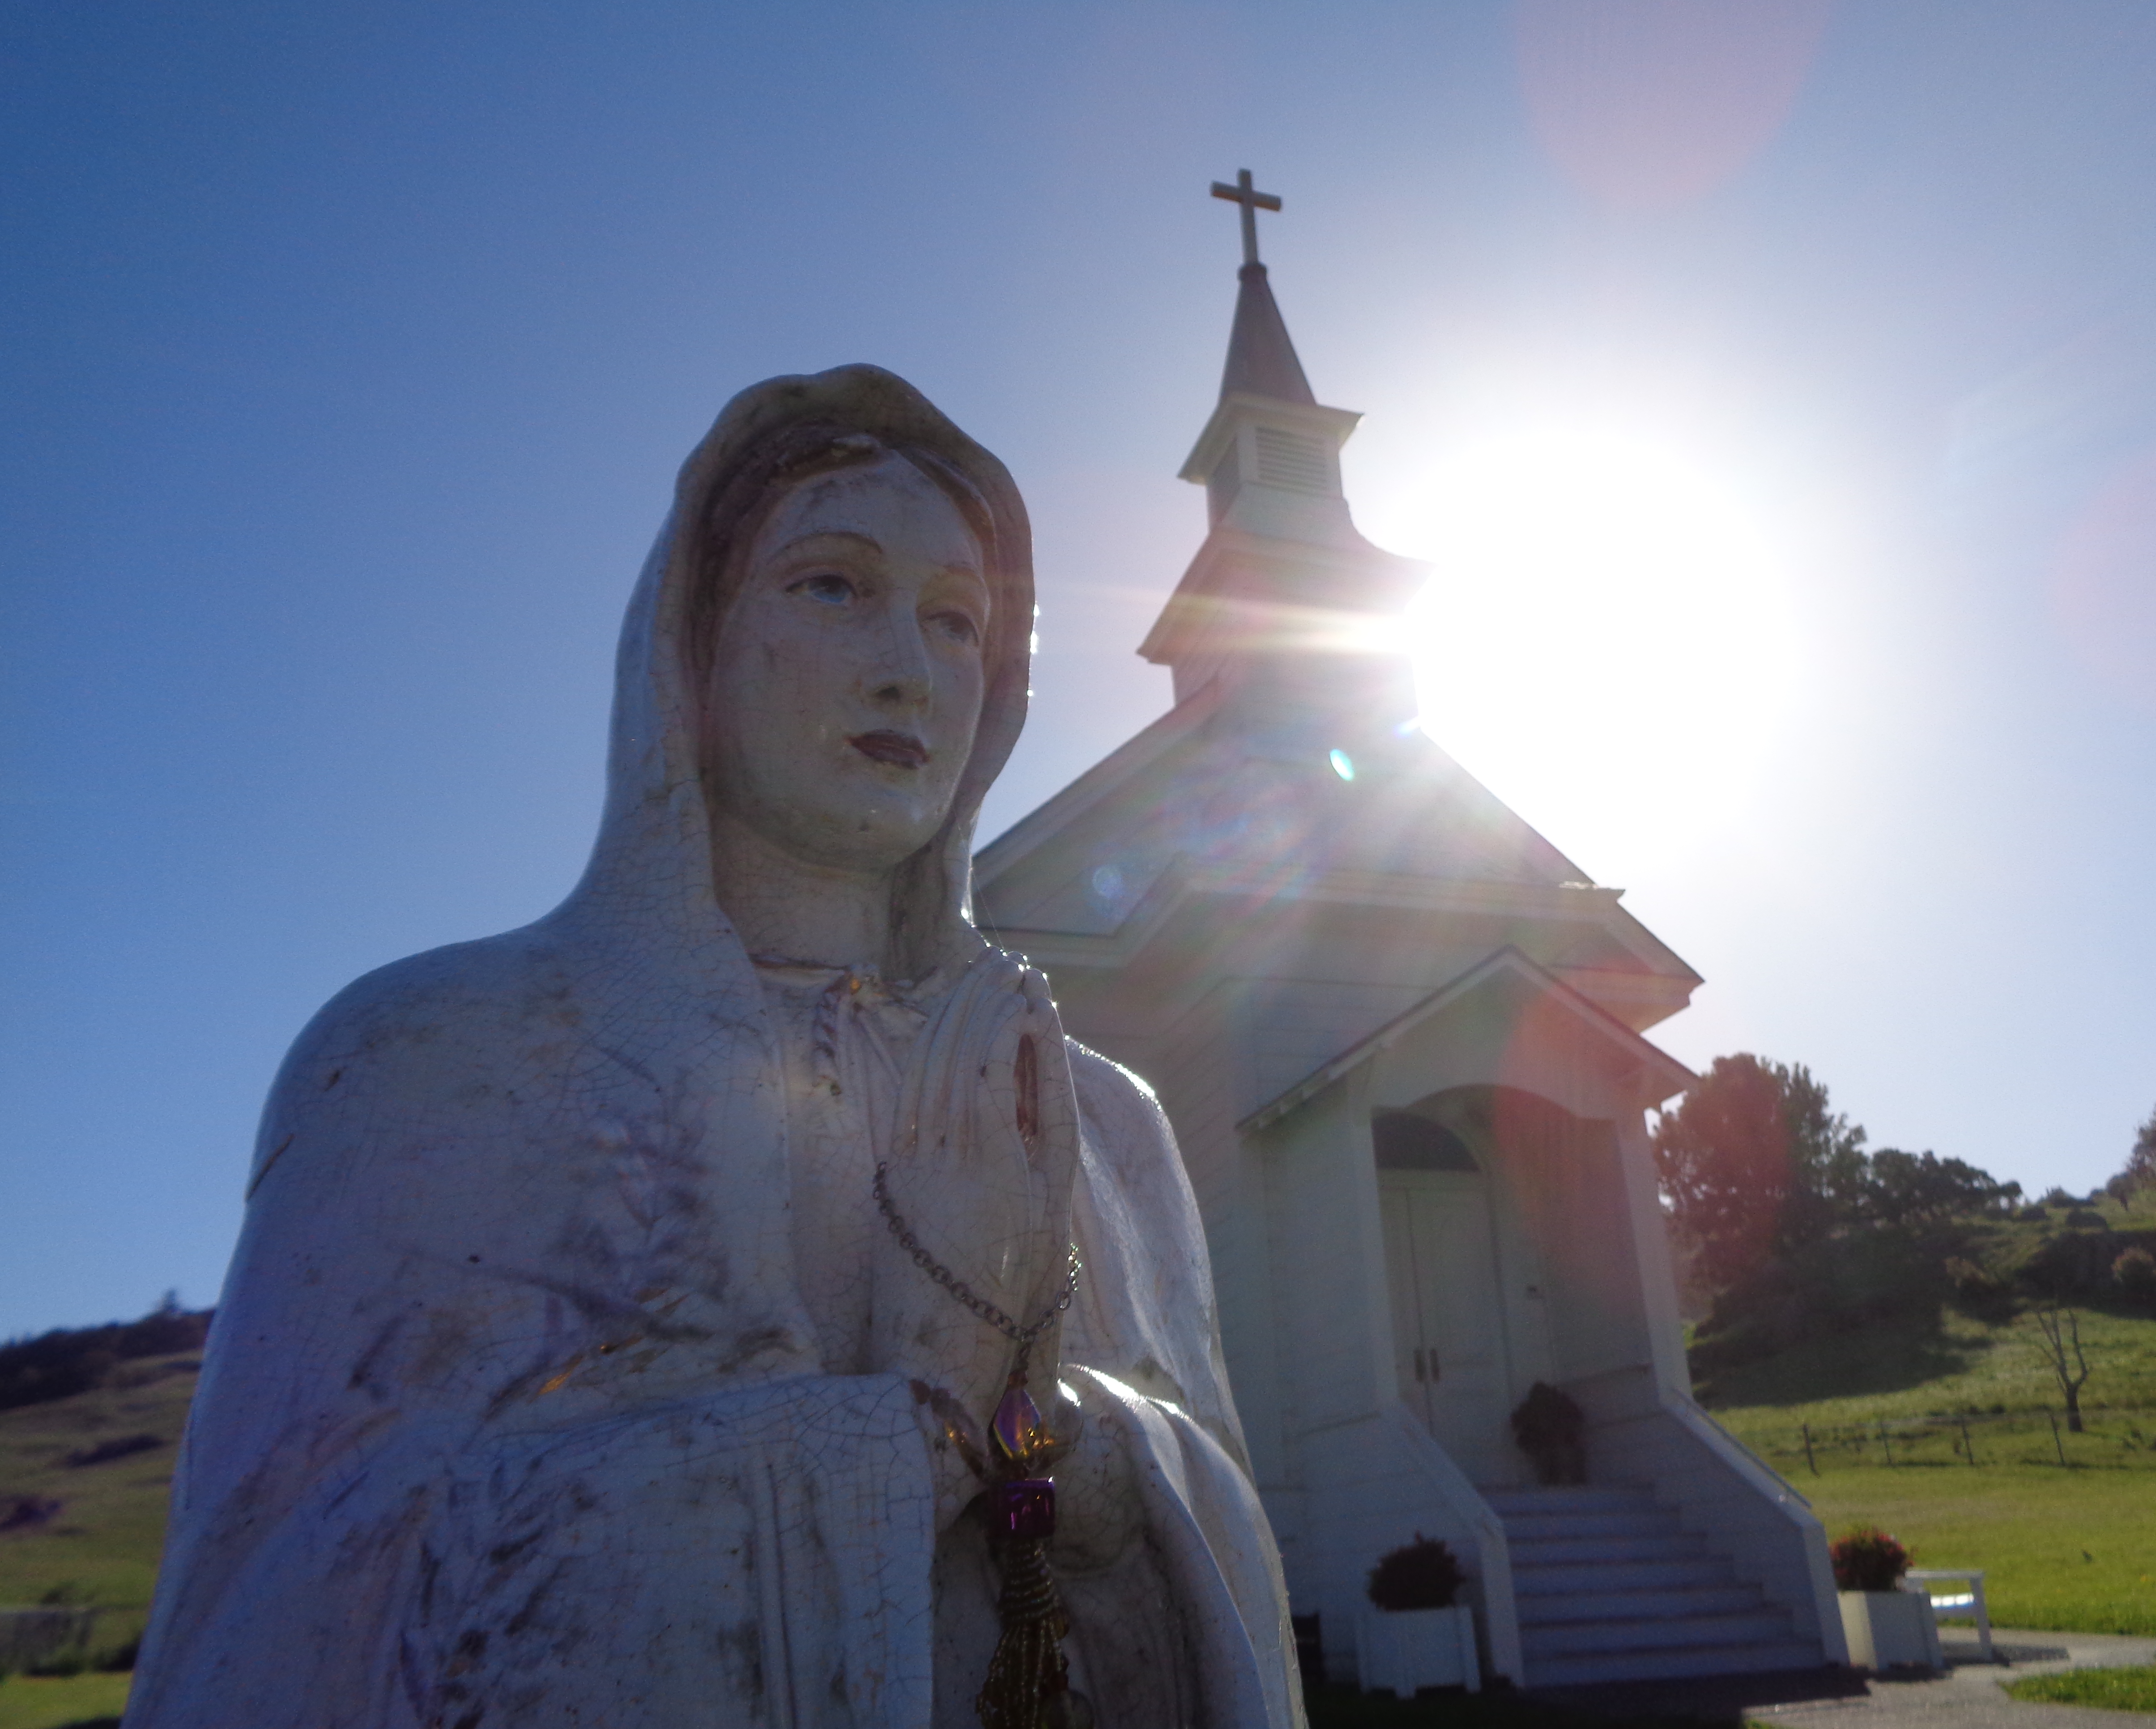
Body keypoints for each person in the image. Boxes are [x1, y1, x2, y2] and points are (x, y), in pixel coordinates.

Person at [125, 366, 1303, 1729]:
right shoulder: (435, 1060)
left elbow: (1223, 1525)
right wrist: (904, 1436)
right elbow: (288, 1612)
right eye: (831, 586)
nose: (906, 668)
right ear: (692, 638)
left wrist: (1080, 1459)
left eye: (956, 622)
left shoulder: (1096, 1120)